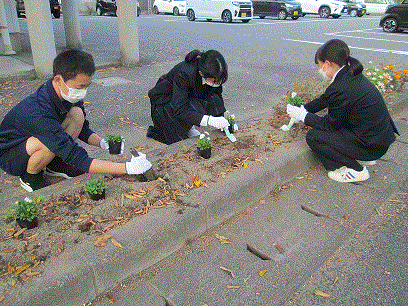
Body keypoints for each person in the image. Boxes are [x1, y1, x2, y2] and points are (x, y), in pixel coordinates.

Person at [0, 49, 152, 192]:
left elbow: (83, 129)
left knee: (76, 114)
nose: (83, 91)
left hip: (36, 141)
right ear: (58, 80)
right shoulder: (38, 112)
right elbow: (76, 156)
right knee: (48, 141)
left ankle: (56, 164)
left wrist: (102, 143)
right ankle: (30, 176)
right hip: (10, 154)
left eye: (87, 86)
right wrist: (127, 168)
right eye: (80, 86)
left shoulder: (66, 93)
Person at [286, 39, 398, 183]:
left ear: (327, 64)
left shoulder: (341, 87)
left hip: (371, 145)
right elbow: (326, 99)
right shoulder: (349, 73)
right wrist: (304, 108)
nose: (319, 69)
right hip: (377, 137)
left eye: (319, 65)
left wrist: (303, 116)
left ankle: (355, 170)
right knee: (332, 129)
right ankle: (358, 156)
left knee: (314, 137)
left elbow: (330, 125)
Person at [147, 49, 236, 145]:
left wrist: (224, 118)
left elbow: (216, 96)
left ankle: (188, 127)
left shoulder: (213, 73)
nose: (218, 83)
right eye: (215, 80)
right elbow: (180, 108)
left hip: (184, 96)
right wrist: (209, 120)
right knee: (193, 106)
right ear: (202, 73)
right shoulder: (184, 73)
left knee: (210, 99)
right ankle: (183, 129)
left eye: (220, 80)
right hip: (164, 102)